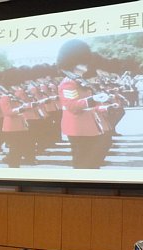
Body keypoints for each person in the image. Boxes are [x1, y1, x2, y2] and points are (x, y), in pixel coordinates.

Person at [57, 39, 121, 169]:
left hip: (90, 126)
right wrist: (93, 99)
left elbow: (91, 106)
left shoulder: (80, 81)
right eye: (83, 61)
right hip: (79, 128)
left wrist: (106, 106)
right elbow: (73, 106)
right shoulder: (68, 82)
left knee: (94, 159)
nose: (87, 64)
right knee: (82, 163)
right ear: (74, 62)